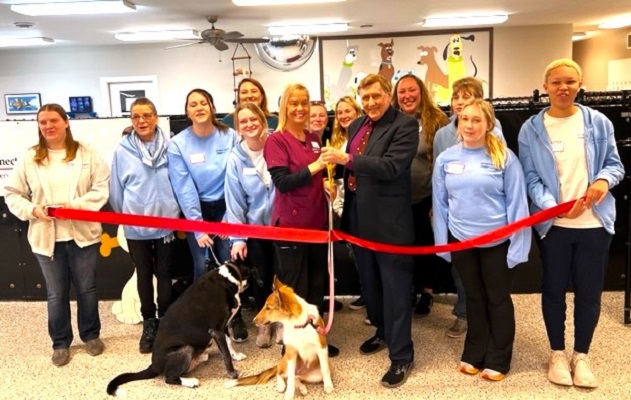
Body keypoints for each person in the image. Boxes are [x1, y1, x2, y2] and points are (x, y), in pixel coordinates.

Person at [518, 58, 624, 388]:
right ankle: (557, 354)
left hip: (595, 226)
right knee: (552, 291)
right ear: (546, 86)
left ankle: (582, 355)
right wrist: (554, 209)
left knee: (589, 293)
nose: (563, 88)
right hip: (555, 228)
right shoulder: (531, 129)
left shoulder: (599, 123)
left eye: (570, 81)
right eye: (556, 82)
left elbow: (615, 165)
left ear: (580, 84)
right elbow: (530, 178)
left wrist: (603, 182)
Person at [321, 73, 418, 388]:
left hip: (390, 226)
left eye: (376, 96)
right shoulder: (358, 124)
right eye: (366, 98)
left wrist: (346, 157)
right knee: (372, 287)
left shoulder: (403, 125)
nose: (371, 103)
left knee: (396, 291)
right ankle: (382, 331)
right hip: (358, 221)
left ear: (387, 94)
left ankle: (402, 356)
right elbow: (351, 171)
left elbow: (391, 167)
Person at [3, 103, 110, 367]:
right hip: (46, 239)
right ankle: (60, 343)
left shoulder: (87, 154)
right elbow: (12, 193)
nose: (48, 126)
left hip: (83, 235)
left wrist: (75, 207)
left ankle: (91, 335)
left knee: (87, 288)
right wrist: (34, 210)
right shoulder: (31, 158)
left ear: (66, 122)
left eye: (53, 120)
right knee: (56, 293)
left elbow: (101, 188)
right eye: (43, 122)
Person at [433, 99, 531, 382]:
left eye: (477, 120)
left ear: (489, 124)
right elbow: (440, 205)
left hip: (497, 243)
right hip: (461, 241)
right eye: (465, 119)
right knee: (474, 298)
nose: (470, 125)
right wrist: (444, 244)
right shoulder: (446, 159)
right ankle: (474, 353)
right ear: (458, 123)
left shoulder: (504, 157)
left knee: (497, 299)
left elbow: (517, 204)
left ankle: (499, 358)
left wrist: (518, 245)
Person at [167, 88, 248, 342]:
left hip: (227, 203)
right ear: (187, 111)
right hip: (197, 209)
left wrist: (230, 217)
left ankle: (236, 317)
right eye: (193, 104)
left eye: (204, 103)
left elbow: (236, 177)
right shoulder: (178, 144)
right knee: (201, 265)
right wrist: (198, 226)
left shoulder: (230, 136)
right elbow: (183, 186)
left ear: (212, 107)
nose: (199, 107)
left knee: (229, 262)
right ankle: (201, 321)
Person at [263, 83, 338, 357]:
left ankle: (316, 340)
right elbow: (283, 183)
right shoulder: (276, 140)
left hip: (317, 224)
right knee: (296, 289)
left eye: (304, 103)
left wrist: (328, 186)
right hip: (291, 227)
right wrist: (316, 166)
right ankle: (292, 348)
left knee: (317, 284)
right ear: (284, 106)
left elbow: (317, 178)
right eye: (294, 103)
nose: (300, 108)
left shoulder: (314, 138)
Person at [433, 76, 505, 339]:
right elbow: (438, 173)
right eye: (456, 97)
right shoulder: (442, 134)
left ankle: (488, 319)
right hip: (457, 216)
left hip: (489, 218)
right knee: (461, 271)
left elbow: (502, 171)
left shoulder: (494, 132)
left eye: (467, 96)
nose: (461, 102)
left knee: (490, 277)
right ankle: (464, 313)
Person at [109, 98, 180, 353]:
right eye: (136, 117)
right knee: (143, 274)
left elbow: (179, 181)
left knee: (164, 274)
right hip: (135, 226)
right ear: (131, 120)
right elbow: (116, 191)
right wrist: (127, 216)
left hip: (166, 223)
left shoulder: (171, 147)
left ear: (156, 117)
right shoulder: (122, 150)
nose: (142, 121)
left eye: (147, 115)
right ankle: (149, 322)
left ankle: (165, 321)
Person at [392, 73, 449, 317]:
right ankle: (408, 291)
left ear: (421, 91)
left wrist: (439, 201)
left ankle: (426, 292)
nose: (407, 96)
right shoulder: (390, 120)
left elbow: (444, 162)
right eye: (402, 91)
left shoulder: (437, 120)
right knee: (403, 247)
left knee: (426, 246)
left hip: (426, 196)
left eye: (411, 90)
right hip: (396, 198)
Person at [224, 102, 276, 348]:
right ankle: (265, 324)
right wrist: (238, 237)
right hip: (255, 230)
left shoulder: (278, 144)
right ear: (238, 128)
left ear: (263, 120)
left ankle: (284, 321)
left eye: (253, 119)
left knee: (285, 276)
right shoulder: (235, 158)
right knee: (262, 278)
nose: (249, 124)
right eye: (243, 121)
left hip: (282, 226)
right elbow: (234, 200)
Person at [330, 96, 366, 313]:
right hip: (340, 199)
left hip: (361, 199)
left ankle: (370, 293)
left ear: (357, 111)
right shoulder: (335, 140)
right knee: (354, 251)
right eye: (340, 112)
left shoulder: (364, 137)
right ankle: (365, 290)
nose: (343, 116)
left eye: (348, 111)